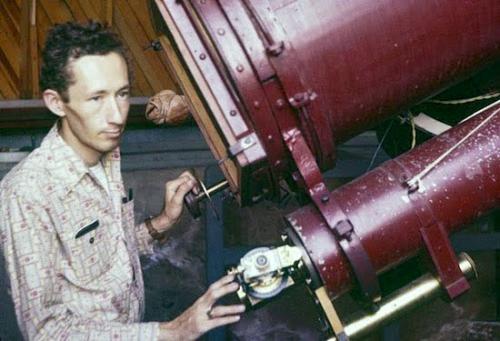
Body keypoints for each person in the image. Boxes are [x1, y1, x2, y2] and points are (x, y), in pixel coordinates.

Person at [0, 21, 244, 340]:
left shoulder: (106, 151)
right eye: (96, 98)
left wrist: (163, 222)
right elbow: (47, 331)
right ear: (56, 102)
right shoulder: (27, 192)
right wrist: (171, 333)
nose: (117, 115)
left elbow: (107, 254)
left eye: (123, 94)